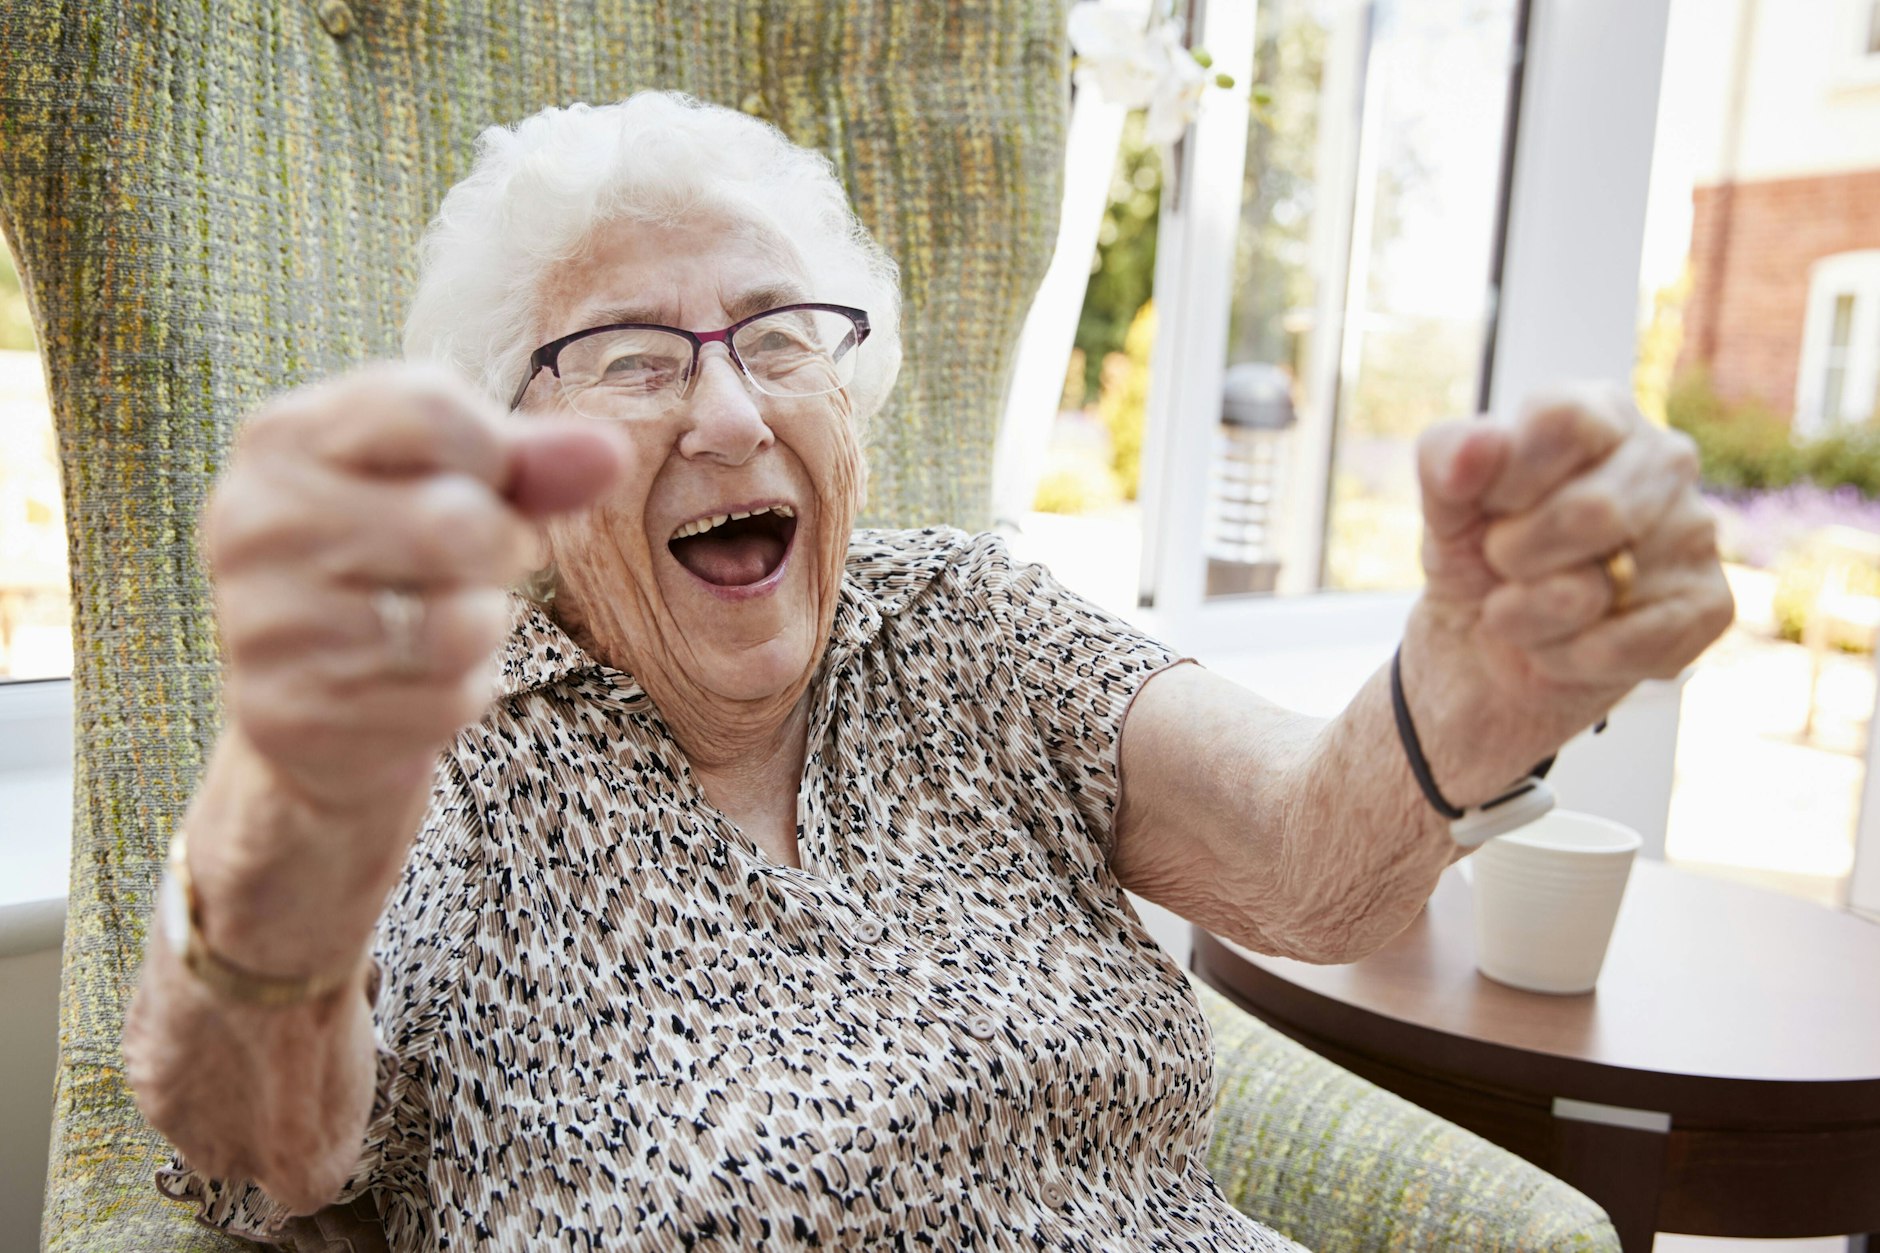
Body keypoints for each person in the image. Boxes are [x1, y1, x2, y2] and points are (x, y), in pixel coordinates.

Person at [124, 91, 1732, 1250]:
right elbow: (265, 1160)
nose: (735, 415)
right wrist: (292, 812)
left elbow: (1314, 868)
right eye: (630, 357)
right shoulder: (436, 736)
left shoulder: (964, 620)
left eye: (778, 337)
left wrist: (1466, 694)